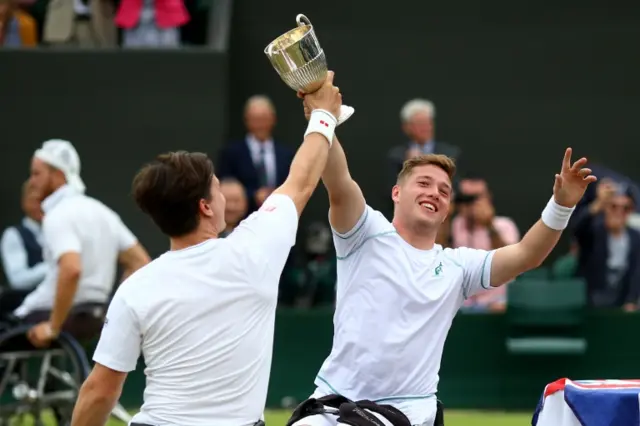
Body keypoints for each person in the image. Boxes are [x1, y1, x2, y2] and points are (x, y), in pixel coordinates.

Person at [288, 97, 596, 426]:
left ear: (448, 207)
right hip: (333, 403)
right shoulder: (364, 233)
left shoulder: (458, 267)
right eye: (423, 183)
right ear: (396, 193)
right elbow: (339, 181)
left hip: (408, 413)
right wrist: (323, 118)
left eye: (444, 191)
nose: (435, 193)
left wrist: (561, 205)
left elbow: (526, 254)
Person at [70, 72, 344, 426]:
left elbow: (100, 392)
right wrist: (324, 115)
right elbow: (302, 181)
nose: (224, 194)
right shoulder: (253, 251)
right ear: (205, 207)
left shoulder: (135, 288)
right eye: (217, 188)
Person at [12, 139, 150, 347]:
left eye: (37, 174)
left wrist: (53, 327)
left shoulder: (57, 215)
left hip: (49, 315)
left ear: (58, 175)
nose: (31, 182)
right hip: (94, 316)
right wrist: (113, 312)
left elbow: (71, 269)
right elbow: (141, 262)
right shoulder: (103, 212)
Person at [0, 181, 47, 316]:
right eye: (37, 200)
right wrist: (55, 266)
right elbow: (18, 280)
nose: (42, 206)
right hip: (28, 309)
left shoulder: (59, 232)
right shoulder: (14, 235)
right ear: (25, 202)